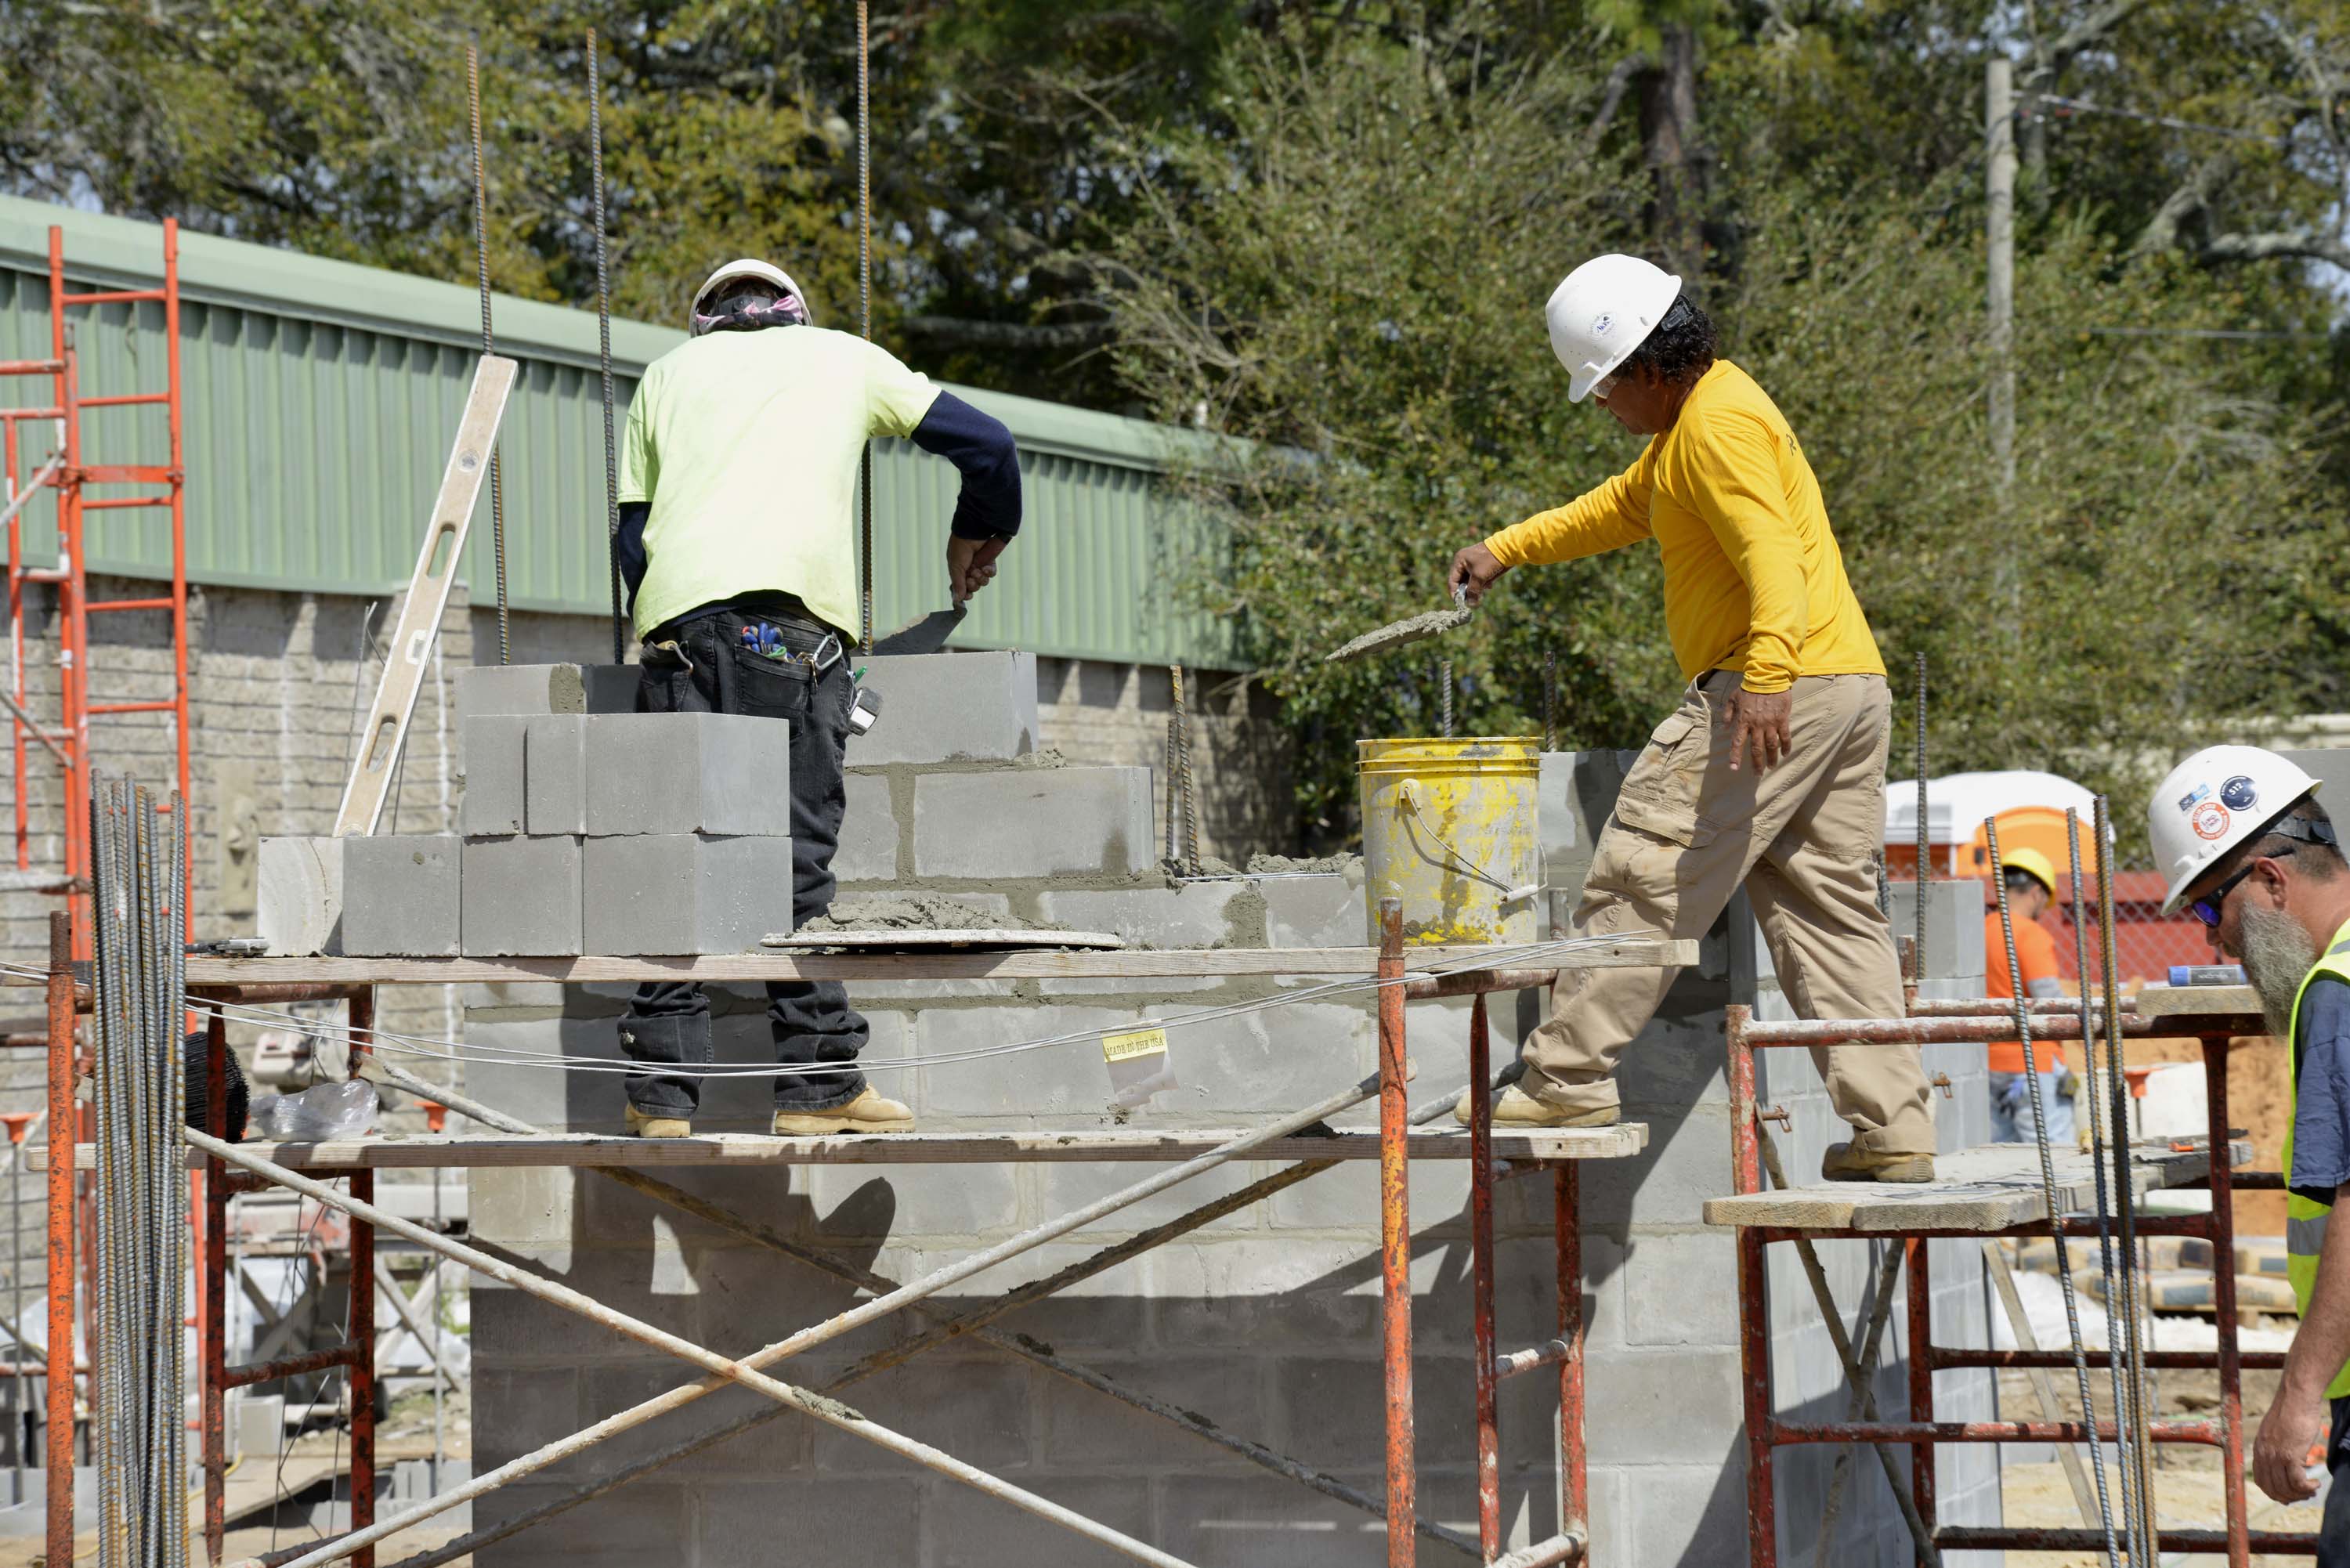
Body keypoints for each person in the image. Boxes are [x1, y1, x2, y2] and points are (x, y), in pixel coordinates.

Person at [1447, 253, 1937, 1183]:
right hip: (1847, 685)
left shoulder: (1715, 429)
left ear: (1647, 364)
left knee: (1649, 864)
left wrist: (1764, 677)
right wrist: (1505, 549)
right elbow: (1615, 510)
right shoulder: (1698, 427)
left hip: (1777, 685)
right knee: (1831, 913)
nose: (1600, 405)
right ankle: (1894, 1127)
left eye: (1602, 388)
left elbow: (1774, 558)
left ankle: (1563, 1078)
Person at [613, 258, 1022, 1138]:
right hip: (791, 639)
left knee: (681, 857)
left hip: (679, 639)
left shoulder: (664, 378)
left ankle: (659, 1098)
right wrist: (973, 540)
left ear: (706, 323)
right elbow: (990, 448)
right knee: (791, 864)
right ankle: (818, 1085)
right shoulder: (843, 357)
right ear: (792, 315)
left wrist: (677, 631)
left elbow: (634, 538)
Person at [2150, 746, 2350, 1551]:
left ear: (2269, 879)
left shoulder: (2337, 993)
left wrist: (2299, 1392)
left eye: (2208, 909)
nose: (2213, 942)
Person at [1983, 846, 2080, 1146]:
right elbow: (2048, 999)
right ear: (2037, 892)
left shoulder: (1979, 930)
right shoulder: (2030, 934)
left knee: (2002, 1162)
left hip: (1989, 1065)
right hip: (2034, 1066)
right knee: (2054, 1158)